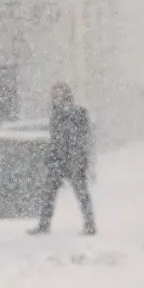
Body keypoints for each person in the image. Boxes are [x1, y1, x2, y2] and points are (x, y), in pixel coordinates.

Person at [29, 83, 96, 236]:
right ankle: (88, 224)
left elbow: (73, 138)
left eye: (57, 95)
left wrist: (74, 156)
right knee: (55, 193)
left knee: (72, 193)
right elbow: (61, 139)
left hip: (69, 160)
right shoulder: (63, 114)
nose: (54, 98)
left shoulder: (72, 114)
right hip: (64, 160)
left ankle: (46, 225)